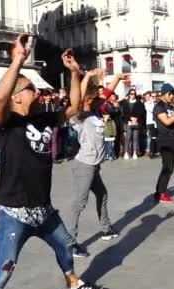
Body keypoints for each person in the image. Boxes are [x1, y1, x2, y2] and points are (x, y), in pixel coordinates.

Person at [0, 36, 103, 289]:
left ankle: (72, 283)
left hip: (44, 211)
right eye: (31, 88)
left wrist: (74, 73)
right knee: (2, 273)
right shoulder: (6, 122)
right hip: (14, 213)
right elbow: (0, 99)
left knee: (65, 245)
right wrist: (17, 59)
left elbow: (73, 106)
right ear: (18, 96)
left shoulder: (44, 118)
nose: (37, 92)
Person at [66, 71, 127, 257]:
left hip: (94, 165)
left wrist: (116, 78)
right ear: (85, 98)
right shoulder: (78, 116)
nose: (97, 98)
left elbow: (106, 94)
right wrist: (85, 77)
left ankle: (106, 228)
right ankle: (70, 243)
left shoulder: (94, 111)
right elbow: (77, 99)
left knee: (102, 194)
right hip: (84, 165)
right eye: (92, 96)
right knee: (79, 203)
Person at [120, 89, 146, 159]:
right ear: (129, 94)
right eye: (131, 93)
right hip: (128, 122)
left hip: (137, 122)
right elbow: (123, 113)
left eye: (134, 94)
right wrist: (130, 118)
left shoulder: (139, 103)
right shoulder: (125, 102)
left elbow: (142, 113)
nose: (133, 95)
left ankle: (135, 152)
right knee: (128, 138)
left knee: (135, 138)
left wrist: (136, 118)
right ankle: (126, 153)